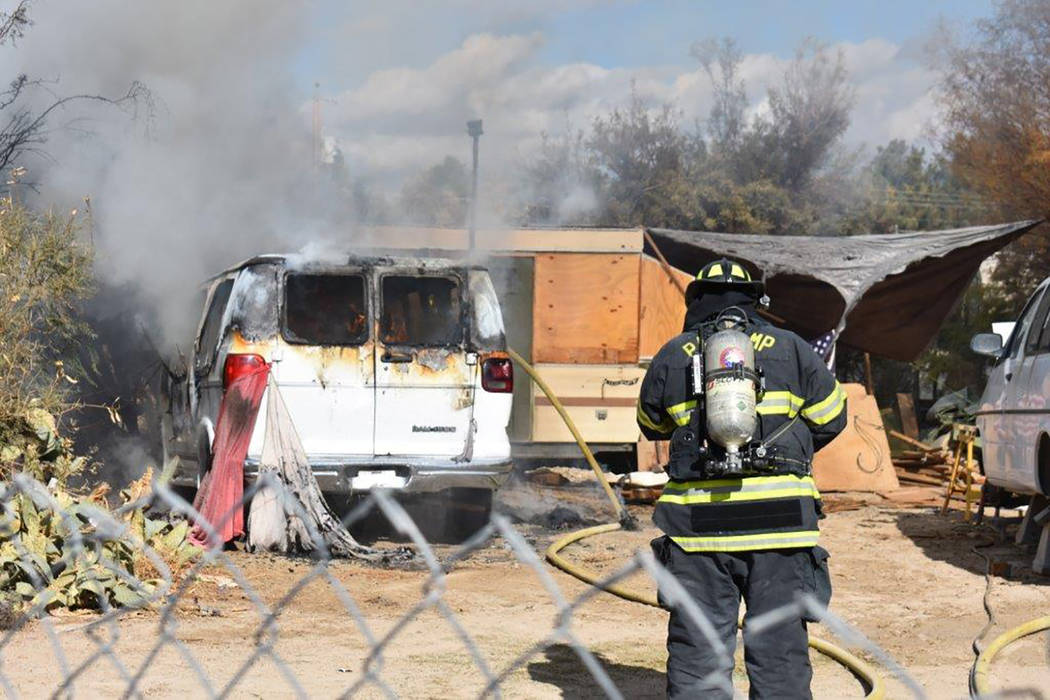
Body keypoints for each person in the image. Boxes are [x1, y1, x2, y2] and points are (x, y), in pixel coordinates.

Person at [637, 257, 847, 699]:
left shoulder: (674, 353)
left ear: (697, 301)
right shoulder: (791, 347)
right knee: (779, 650)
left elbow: (651, 424)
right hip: (781, 527)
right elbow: (832, 417)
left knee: (698, 650)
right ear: (755, 299)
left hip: (699, 531)